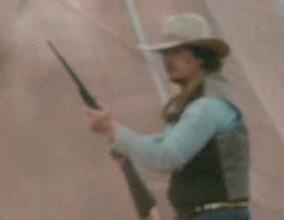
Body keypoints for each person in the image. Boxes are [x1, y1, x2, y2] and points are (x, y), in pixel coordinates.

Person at [84, 12, 250, 220]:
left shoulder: (208, 105)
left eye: (175, 52)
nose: (167, 60)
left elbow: (166, 156)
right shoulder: (199, 100)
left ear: (199, 56)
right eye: (165, 53)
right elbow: (164, 144)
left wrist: (113, 129)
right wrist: (121, 140)